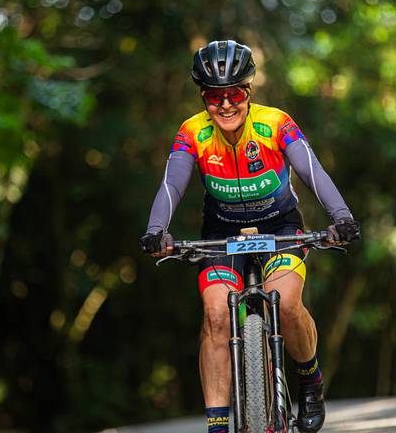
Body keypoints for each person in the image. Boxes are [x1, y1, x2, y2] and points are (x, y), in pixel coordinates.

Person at [140, 40, 360, 433]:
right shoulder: (193, 132)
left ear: (248, 91)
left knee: (286, 303)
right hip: (221, 233)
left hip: (280, 227)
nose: (225, 105)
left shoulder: (274, 123)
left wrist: (341, 218)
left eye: (234, 94)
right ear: (203, 98)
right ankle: (217, 425)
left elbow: (311, 170)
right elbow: (172, 184)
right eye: (214, 96)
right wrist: (157, 229)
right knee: (216, 316)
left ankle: (309, 379)